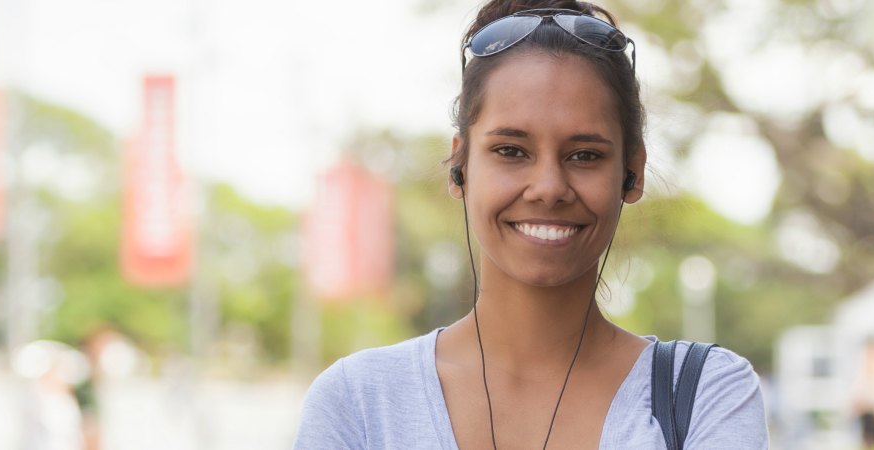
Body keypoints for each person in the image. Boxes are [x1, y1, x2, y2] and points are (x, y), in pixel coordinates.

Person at [293, 1, 768, 448]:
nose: (548, 187)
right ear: (461, 165)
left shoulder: (706, 393)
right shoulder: (358, 401)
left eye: (584, 155)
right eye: (511, 151)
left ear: (632, 172)